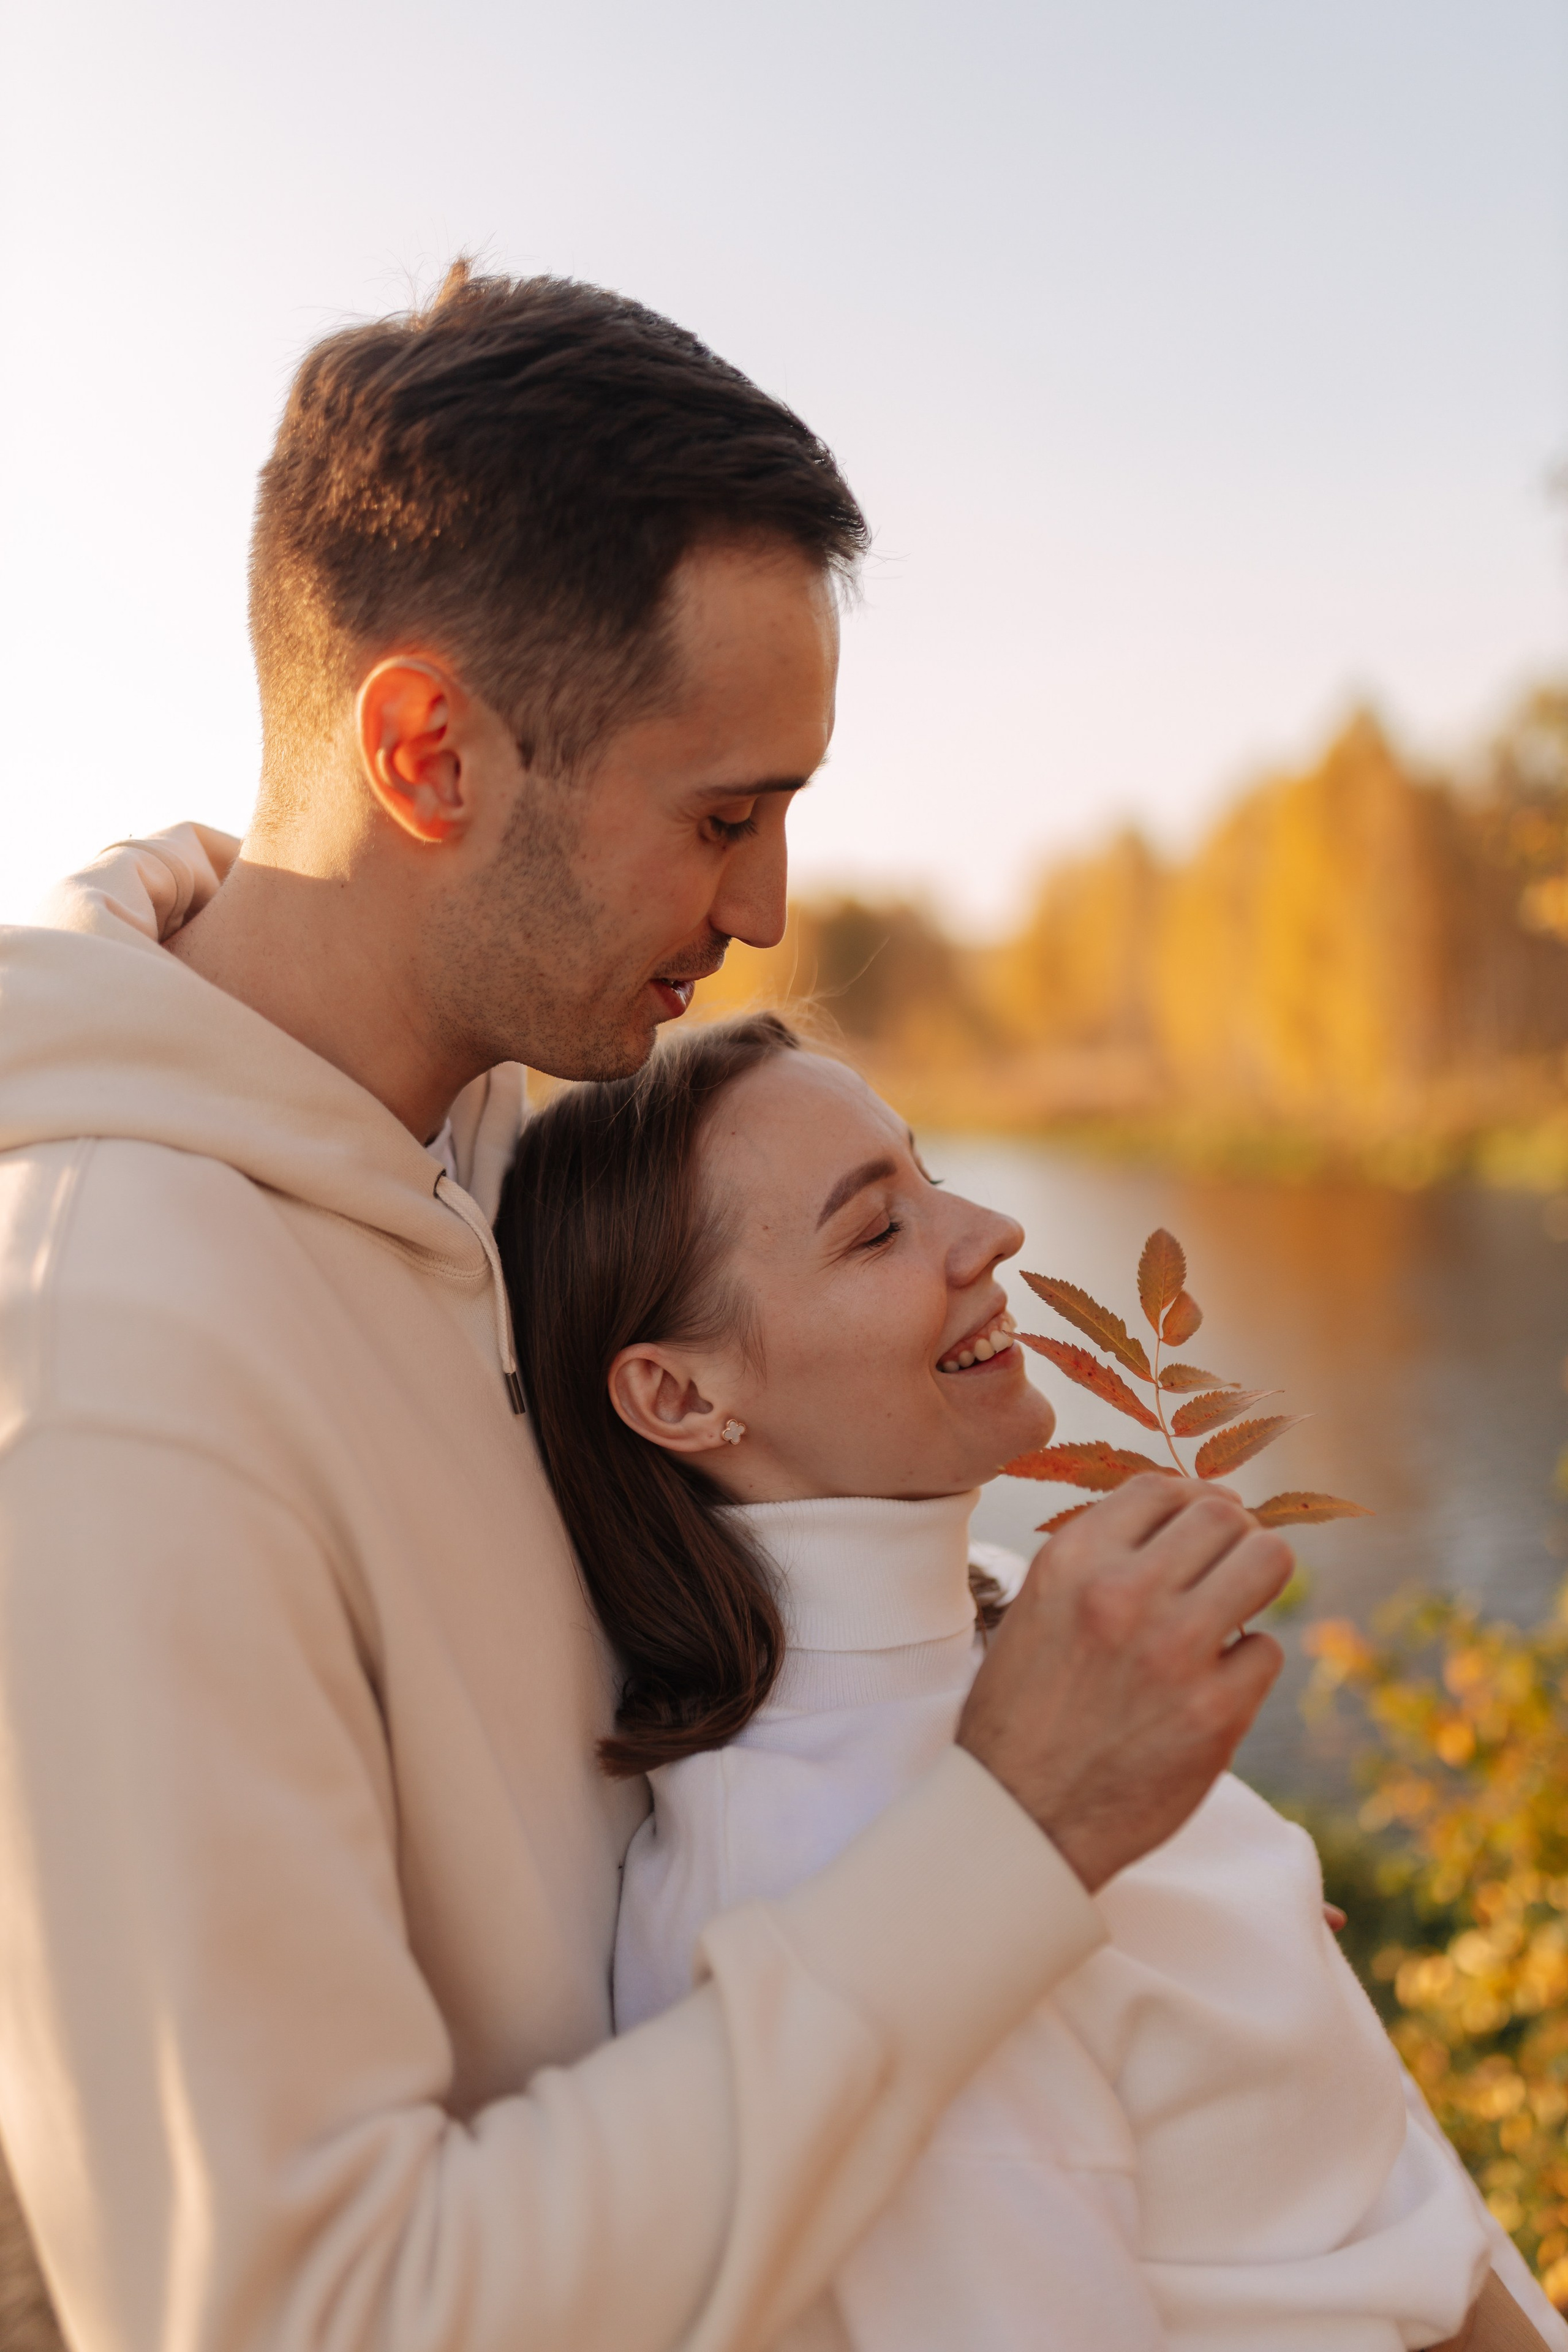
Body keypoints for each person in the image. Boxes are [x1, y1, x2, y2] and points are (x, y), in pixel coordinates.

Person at [0, 265, 1291, 2352]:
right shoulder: (116, 1385)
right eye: (722, 817)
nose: (766, 907)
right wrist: (1014, 1835)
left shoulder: (492, 1143)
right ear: (426, 750)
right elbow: (307, 2313)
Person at [498, 1010, 1567, 2352]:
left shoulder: (1017, 1628)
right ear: (678, 1396)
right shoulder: (827, 1903)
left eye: (930, 1173)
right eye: (875, 1231)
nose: (991, 1232)